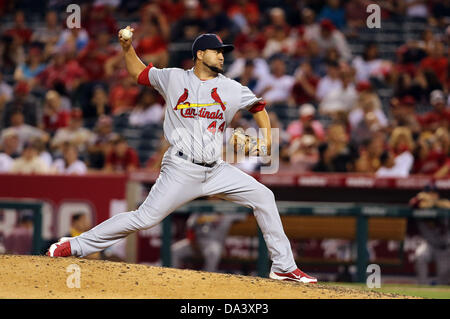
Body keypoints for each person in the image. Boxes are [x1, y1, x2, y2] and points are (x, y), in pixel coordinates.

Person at [47, 29, 317, 284]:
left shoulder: (232, 88)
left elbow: (258, 107)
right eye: (216, 51)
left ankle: (283, 267)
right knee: (143, 219)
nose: (222, 55)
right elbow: (139, 73)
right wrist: (127, 47)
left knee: (264, 196)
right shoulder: (174, 77)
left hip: (216, 169)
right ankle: (73, 245)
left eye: (223, 52)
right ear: (200, 54)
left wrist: (268, 138)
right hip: (180, 167)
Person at [172, 211, 245, 272]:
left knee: (214, 251)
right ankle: (172, 277)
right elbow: (190, 227)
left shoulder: (228, 210)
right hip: (196, 242)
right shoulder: (202, 208)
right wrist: (192, 242)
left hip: (214, 244)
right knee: (174, 250)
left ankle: (207, 279)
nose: (214, 198)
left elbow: (243, 214)